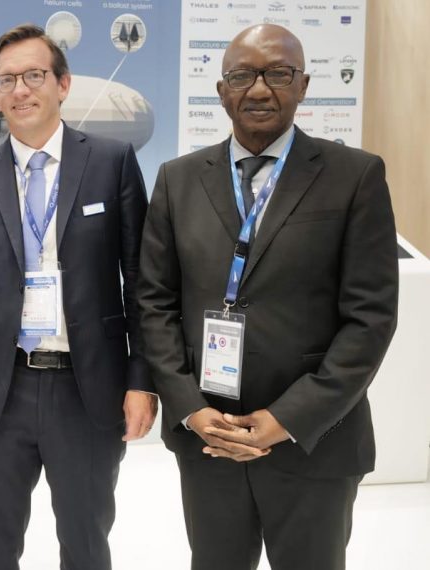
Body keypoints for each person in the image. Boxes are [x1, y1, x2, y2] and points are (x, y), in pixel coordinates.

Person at [137, 24, 398, 570]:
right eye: (242, 76)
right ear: (221, 91)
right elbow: (154, 304)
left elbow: (370, 319)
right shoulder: (177, 180)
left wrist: (287, 418)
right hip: (209, 441)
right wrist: (190, 409)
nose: (259, 89)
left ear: (303, 85)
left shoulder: (354, 176)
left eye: (278, 73)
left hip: (313, 442)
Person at [0, 23, 155, 570]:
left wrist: (141, 382)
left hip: (87, 392)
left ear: (63, 83)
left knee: (85, 545)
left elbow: (142, 284)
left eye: (34, 75)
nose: (20, 90)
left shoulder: (111, 163)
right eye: (6, 80)